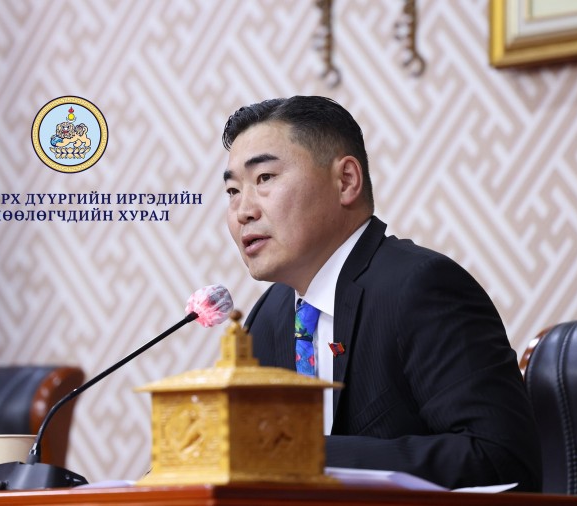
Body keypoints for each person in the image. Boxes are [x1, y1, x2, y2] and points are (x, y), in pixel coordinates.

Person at [221, 96, 542, 491]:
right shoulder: (268, 318)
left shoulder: (421, 287)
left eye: (264, 178)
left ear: (345, 181)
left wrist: (307, 454)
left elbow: (501, 459)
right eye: (232, 191)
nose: (243, 211)